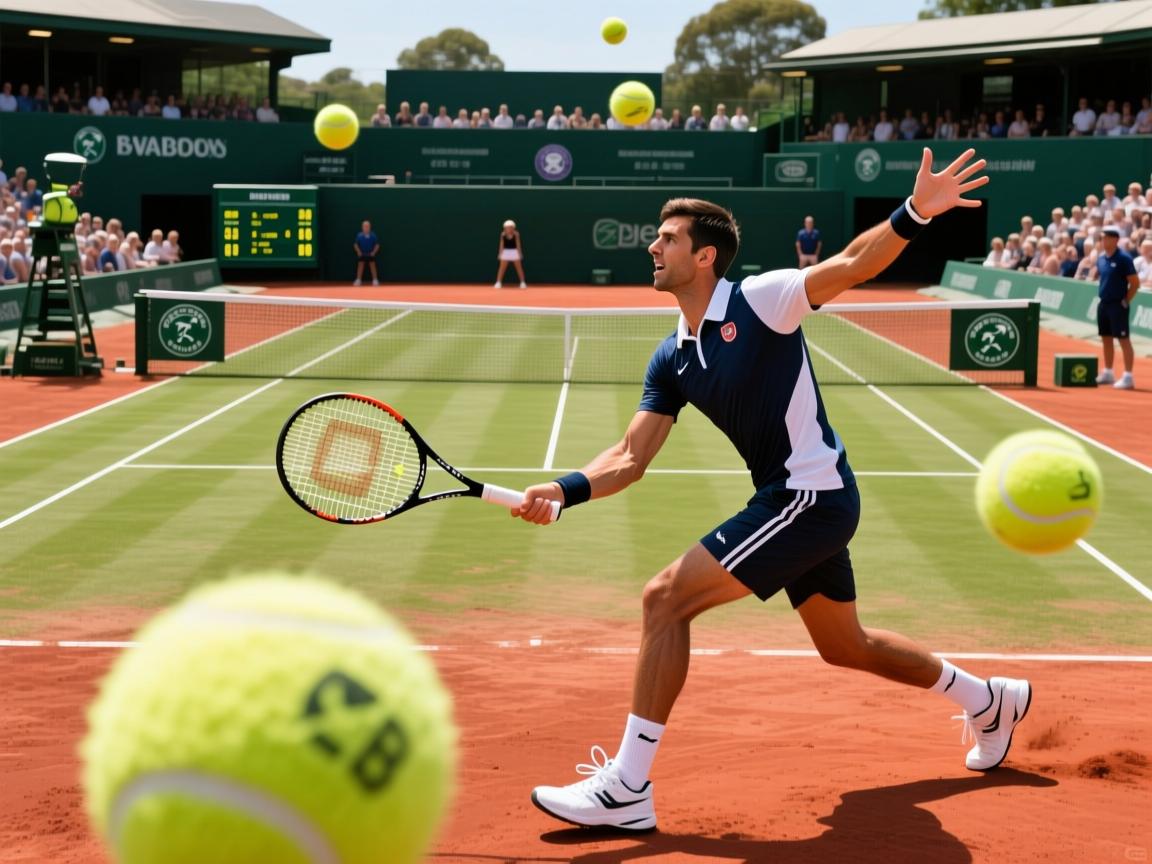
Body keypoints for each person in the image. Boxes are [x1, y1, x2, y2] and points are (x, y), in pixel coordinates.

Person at [512, 148, 1031, 833]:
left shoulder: (761, 299)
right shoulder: (672, 355)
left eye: (668, 238)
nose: (653, 246)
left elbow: (852, 264)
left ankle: (628, 787)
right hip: (802, 500)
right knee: (845, 646)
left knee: (665, 599)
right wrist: (564, 488)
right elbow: (630, 456)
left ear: (705, 257)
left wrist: (914, 212)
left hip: (807, 497)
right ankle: (989, 700)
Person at [1094, 225, 1139, 389]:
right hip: (1103, 304)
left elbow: (1135, 283)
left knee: (1123, 339)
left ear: (1115, 240)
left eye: (1106, 238)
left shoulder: (1124, 259)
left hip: (1118, 305)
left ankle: (1128, 377)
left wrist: (1126, 300)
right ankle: (1108, 372)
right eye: (1102, 238)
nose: (1103, 241)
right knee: (1106, 338)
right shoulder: (1100, 258)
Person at [494, 219, 526, 289]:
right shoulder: (503, 235)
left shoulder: (516, 234)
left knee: (519, 268)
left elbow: (518, 244)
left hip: (514, 252)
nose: (509, 228)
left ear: (513, 228)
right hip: (505, 252)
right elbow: (501, 244)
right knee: (502, 268)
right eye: (507, 227)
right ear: (505, 228)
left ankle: (522, 282)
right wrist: (500, 253)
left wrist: (519, 253)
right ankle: (498, 282)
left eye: (510, 227)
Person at [352, 220, 380, 286]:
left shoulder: (373, 235)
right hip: (362, 254)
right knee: (360, 265)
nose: (366, 227)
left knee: (372, 266)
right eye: (365, 226)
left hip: (370, 254)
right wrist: (358, 251)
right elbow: (355, 244)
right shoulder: (359, 235)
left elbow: (377, 245)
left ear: (370, 227)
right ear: (362, 227)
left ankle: (375, 280)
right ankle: (358, 280)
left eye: (367, 226)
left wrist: (373, 252)